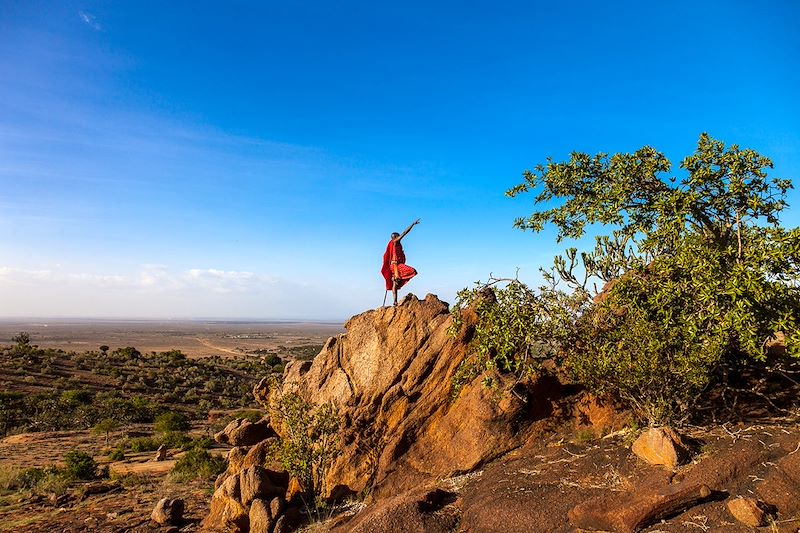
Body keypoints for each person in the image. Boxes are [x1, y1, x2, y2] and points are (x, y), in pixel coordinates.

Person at [381, 219, 420, 306]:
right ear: (395, 237)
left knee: (395, 283)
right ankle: (396, 277)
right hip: (396, 266)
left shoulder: (393, 243)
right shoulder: (395, 241)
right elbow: (405, 232)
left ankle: (395, 301)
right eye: (398, 236)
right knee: (412, 271)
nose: (400, 237)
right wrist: (412, 224)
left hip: (394, 265)